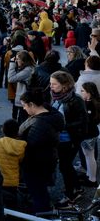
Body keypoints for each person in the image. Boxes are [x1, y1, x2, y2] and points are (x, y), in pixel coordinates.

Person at [19, 89, 64, 213]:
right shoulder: (51, 115)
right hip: (47, 160)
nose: (23, 108)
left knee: (38, 190)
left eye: (24, 105)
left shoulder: (40, 124)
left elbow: (29, 146)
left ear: (32, 104)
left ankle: (41, 212)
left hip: (36, 163)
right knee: (40, 189)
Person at [50, 70, 87, 207]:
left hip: (69, 139)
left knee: (65, 166)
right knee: (66, 166)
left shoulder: (76, 100)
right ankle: (77, 188)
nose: (51, 86)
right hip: (59, 138)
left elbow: (83, 122)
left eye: (54, 84)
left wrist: (63, 125)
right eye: (51, 83)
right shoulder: (56, 96)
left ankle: (70, 195)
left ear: (64, 85)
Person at [0, 119, 27, 209]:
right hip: (13, 181)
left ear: (2, 130)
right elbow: (21, 160)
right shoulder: (21, 146)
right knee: (12, 203)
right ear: (17, 132)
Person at [80, 82, 100, 187]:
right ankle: (89, 175)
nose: (81, 92)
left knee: (90, 156)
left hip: (89, 134)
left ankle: (92, 180)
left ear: (89, 92)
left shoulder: (90, 104)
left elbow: (88, 120)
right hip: (90, 133)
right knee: (88, 156)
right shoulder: (92, 102)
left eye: (82, 91)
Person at [8, 50, 36, 124]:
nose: (16, 61)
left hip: (25, 99)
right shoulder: (27, 68)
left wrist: (12, 63)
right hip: (24, 98)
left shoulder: (27, 70)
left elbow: (11, 78)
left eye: (18, 59)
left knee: (22, 120)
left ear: (23, 61)